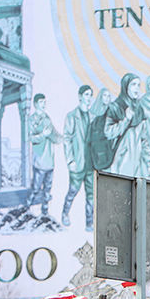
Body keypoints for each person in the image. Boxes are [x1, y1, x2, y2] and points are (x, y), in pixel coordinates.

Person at [105, 75, 150, 178]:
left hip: (138, 163)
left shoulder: (139, 109)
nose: (137, 88)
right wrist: (126, 119)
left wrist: (149, 161)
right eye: (133, 85)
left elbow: (144, 139)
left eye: (138, 85)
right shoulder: (115, 107)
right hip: (121, 161)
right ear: (125, 87)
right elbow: (109, 133)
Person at [61, 84, 95, 230]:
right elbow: (67, 139)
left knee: (91, 195)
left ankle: (89, 222)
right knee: (73, 190)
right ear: (80, 96)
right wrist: (70, 160)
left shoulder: (93, 116)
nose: (89, 98)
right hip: (78, 162)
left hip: (91, 163)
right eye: (86, 95)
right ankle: (64, 213)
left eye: (90, 95)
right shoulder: (72, 116)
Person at [28, 93, 60, 217]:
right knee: (36, 187)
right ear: (35, 104)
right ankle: (28, 207)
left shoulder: (47, 118)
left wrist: (65, 139)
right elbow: (31, 138)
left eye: (44, 102)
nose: (44, 104)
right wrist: (43, 135)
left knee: (48, 188)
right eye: (41, 102)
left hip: (49, 161)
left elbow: (54, 136)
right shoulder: (32, 120)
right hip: (39, 161)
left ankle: (45, 212)